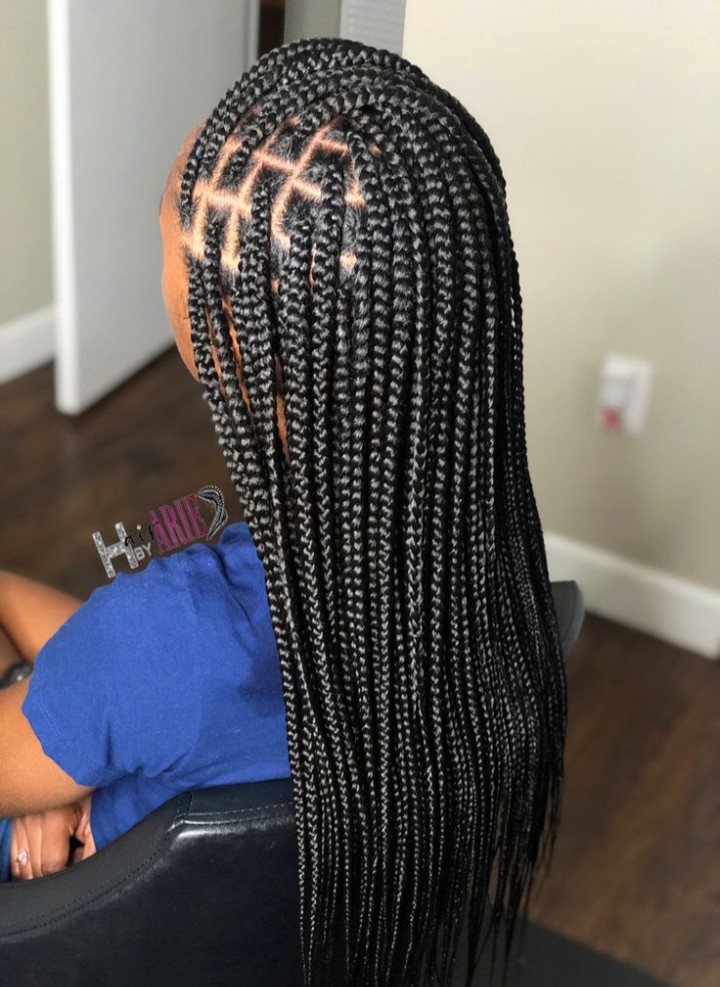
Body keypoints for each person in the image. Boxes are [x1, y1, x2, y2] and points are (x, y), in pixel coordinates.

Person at [0, 39, 566, 987]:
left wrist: (44, 761)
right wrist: (61, 742)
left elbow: (139, 672)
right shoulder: (481, 561)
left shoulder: (174, 633)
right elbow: (135, 682)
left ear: (225, 336)